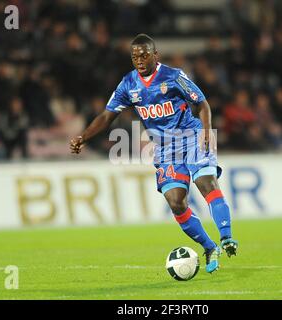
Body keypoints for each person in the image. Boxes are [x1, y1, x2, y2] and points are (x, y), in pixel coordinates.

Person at [70, 34, 238, 273]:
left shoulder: (173, 76)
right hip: (164, 148)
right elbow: (107, 116)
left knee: (205, 182)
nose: (139, 59)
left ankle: (226, 237)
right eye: (135, 56)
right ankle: (210, 247)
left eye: (144, 54)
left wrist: (207, 131)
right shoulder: (128, 84)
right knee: (176, 202)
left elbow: (201, 103)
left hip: (191, 137)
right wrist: (83, 137)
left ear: (155, 54)